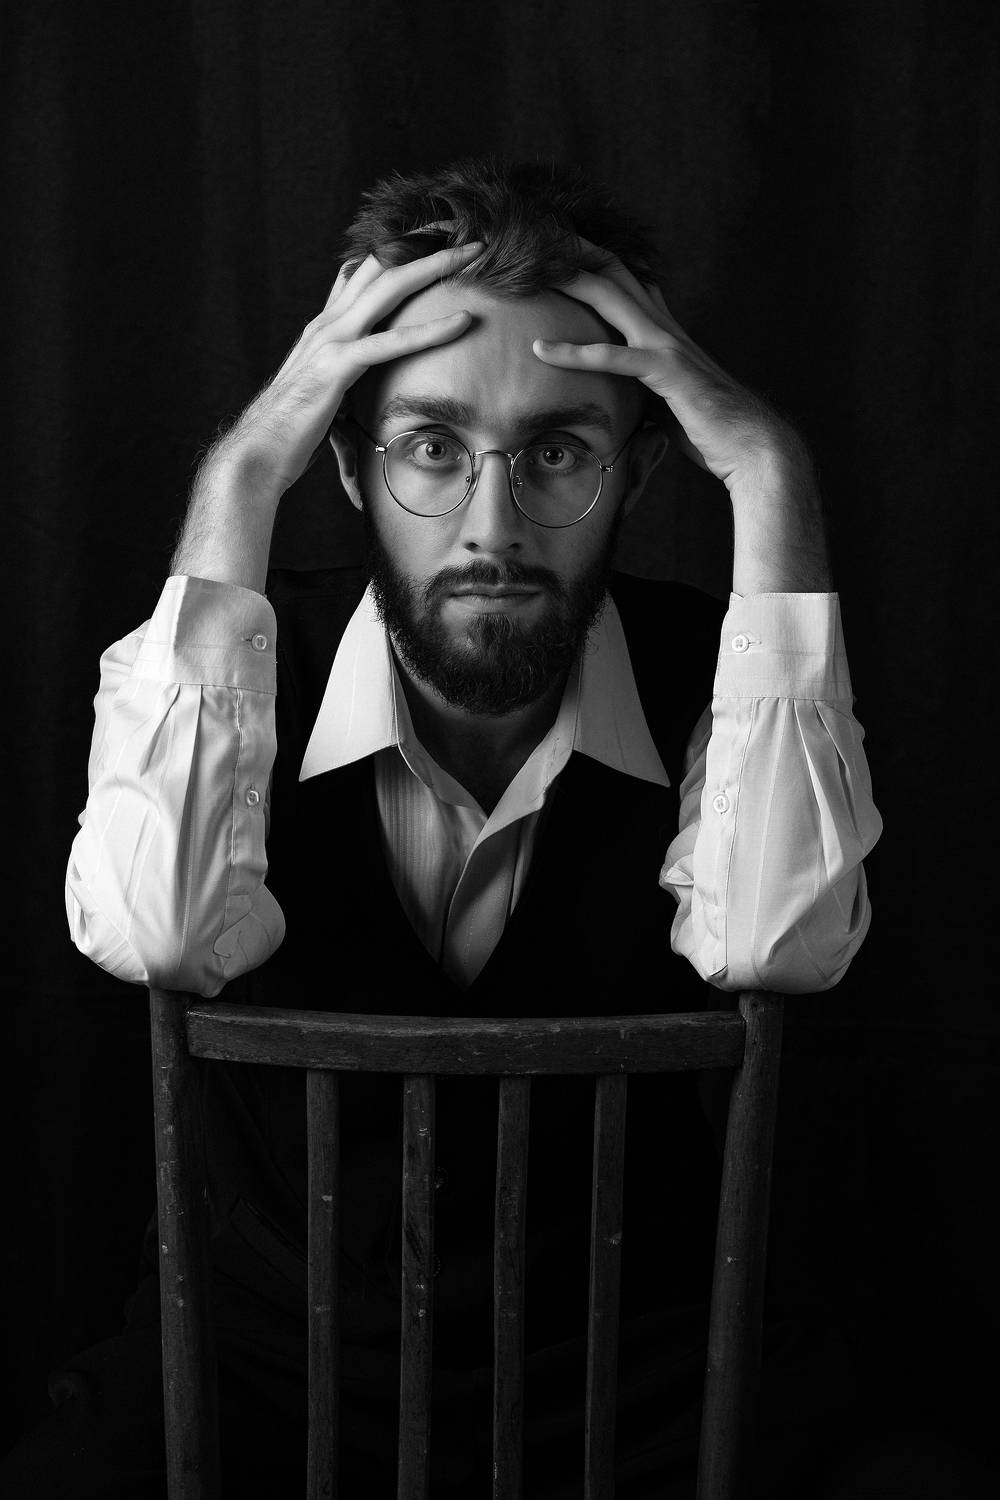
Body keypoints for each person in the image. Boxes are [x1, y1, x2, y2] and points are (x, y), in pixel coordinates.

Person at [10, 157, 882, 1496]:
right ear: (349, 473)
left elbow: (781, 944)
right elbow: (155, 932)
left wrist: (769, 472)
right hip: (258, 1362)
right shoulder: (243, 669)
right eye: (430, 448)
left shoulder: (729, 679)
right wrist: (245, 468)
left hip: (643, 1374)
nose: (493, 527)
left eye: (558, 454)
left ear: (638, 475)